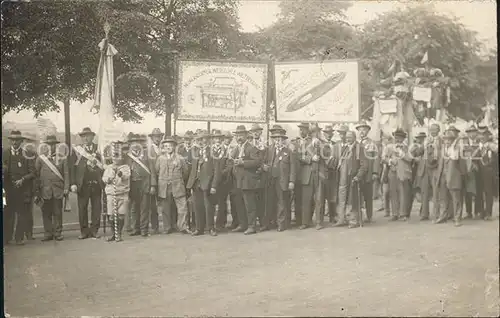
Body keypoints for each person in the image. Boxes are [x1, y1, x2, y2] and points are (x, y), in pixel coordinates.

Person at [2, 130, 36, 245]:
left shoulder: (28, 154)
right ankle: (7, 238)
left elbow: (32, 172)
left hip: (22, 190)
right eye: (12, 140)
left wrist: (23, 180)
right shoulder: (4, 153)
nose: (15, 142)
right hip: (8, 190)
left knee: (22, 215)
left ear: (21, 141)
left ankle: (19, 238)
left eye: (17, 140)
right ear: (10, 141)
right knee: (7, 214)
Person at [34, 135, 70, 241]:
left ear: (56, 145)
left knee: (57, 212)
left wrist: (66, 187)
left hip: (58, 190)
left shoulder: (62, 157)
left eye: (53, 144)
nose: (51, 146)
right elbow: (36, 174)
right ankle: (48, 233)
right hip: (45, 190)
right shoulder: (40, 159)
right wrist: (37, 190)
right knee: (46, 213)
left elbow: (66, 174)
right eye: (48, 144)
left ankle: (58, 233)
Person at [71, 127, 104, 239]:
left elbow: (104, 166)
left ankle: (95, 230)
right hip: (83, 184)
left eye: (88, 135)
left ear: (92, 137)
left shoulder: (99, 149)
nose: (85, 138)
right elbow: (72, 168)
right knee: (82, 209)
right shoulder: (77, 150)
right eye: (83, 136)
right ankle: (84, 231)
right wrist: (73, 183)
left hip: (96, 183)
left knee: (96, 208)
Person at [230, 125, 262, 235]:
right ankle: (243, 224)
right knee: (239, 204)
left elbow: (257, 162)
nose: (239, 137)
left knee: (250, 205)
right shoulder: (235, 149)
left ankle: (252, 226)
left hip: (248, 180)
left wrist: (243, 163)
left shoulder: (251, 148)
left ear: (246, 135)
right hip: (237, 181)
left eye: (241, 135)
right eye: (237, 135)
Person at [262, 127, 296, 231]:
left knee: (282, 202)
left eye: (280, 139)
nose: (278, 141)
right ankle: (271, 222)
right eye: (276, 138)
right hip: (271, 179)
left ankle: (281, 224)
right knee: (270, 201)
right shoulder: (269, 150)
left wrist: (291, 181)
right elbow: (263, 162)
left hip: (282, 180)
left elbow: (293, 168)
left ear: (283, 140)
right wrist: (264, 166)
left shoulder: (288, 152)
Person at [187, 130, 218, 236]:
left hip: (208, 183)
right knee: (197, 206)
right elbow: (192, 169)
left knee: (209, 206)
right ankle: (199, 228)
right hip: (196, 183)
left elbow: (217, 171)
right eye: (199, 139)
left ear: (208, 140)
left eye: (204, 139)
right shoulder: (195, 152)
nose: (201, 141)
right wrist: (191, 183)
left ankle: (211, 228)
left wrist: (214, 185)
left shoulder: (214, 152)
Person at [155, 137, 190, 234]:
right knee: (165, 208)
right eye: (165, 146)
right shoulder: (160, 159)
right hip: (164, 187)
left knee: (182, 207)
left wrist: (177, 179)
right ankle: (167, 228)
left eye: (170, 146)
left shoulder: (180, 159)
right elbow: (157, 171)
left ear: (174, 147)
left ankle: (182, 227)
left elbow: (185, 172)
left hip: (177, 185)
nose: (168, 148)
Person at [434, 128, 466, 226]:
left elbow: (462, 164)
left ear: (453, 140)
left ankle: (457, 218)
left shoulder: (457, 149)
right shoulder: (443, 149)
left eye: (449, 139)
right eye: (445, 139)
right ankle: (443, 216)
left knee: (456, 199)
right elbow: (440, 163)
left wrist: (463, 175)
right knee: (443, 197)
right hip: (443, 175)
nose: (447, 141)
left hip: (454, 176)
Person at [300, 123, 328, 230]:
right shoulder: (305, 143)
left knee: (319, 199)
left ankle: (319, 222)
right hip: (308, 174)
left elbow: (327, 156)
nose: (314, 134)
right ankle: (305, 222)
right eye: (312, 132)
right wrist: (310, 159)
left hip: (320, 174)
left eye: (316, 131)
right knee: (306, 199)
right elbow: (300, 157)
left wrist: (319, 146)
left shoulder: (324, 143)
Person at [127, 134, 156, 237]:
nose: (136, 145)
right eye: (133, 142)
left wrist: (153, 185)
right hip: (133, 184)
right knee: (134, 208)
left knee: (144, 208)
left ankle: (144, 229)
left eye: (138, 142)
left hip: (145, 184)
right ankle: (136, 228)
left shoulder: (147, 154)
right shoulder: (128, 156)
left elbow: (152, 171)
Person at [102, 141, 131, 242]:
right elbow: (104, 179)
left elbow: (125, 176)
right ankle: (113, 234)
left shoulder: (126, 168)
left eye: (118, 156)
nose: (115, 159)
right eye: (114, 156)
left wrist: (118, 173)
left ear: (121, 157)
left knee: (121, 214)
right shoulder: (108, 168)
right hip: (111, 194)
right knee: (111, 215)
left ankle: (119, 233)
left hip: (122, 194)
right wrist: (109, 179)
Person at [383, 128, 413, 221]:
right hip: (392, 171)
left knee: (403, 192)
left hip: (404, 172)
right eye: (396, 137)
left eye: (400, 138)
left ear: (403, 139)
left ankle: (403, 214)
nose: (398, 139)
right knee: (393, 192)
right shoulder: (389, 147)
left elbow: (411, 159)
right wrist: (390, 161)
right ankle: (395, 213)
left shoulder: (408, 147)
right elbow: (383, 158)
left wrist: (402, 154)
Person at [356, 121, 379, 223]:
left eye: (364, 129)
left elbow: (376, 159)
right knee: (357, 195)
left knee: (368, 196)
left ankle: (369, 215)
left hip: (368, 173)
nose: (362, 131)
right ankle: (358, 215)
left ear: (368, 131)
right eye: (360, 129)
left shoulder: (372, 143)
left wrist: (375, 172)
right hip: (358, 173)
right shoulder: (355, 143)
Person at [249, 123, 269, 231]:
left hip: (262, 175)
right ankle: (252, 223)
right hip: (252, 175)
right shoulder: (249, 144)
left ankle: (263, 223)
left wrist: (262, 167)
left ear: (261, 132)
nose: (256, 133)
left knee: (262, 200)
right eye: (253, 131)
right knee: (252, 200)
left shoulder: (265, 144)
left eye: (257, 131)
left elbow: (267, 158)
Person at [410, 132, 432, 220]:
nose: (420, 139)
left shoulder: (435, 143)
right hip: (423, 171)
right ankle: (424, 213)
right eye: (419, 138)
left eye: (422, 138)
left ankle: (438, 213)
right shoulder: (419, 146)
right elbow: (415, 153)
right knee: (424, 192)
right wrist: (423, 145)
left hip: (433, 170)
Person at [479, 129, 497, 221]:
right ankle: (481, 212)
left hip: (489, 172)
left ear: (487, 136)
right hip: (479, 172)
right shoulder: (478, 146)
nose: (482, 137)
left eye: (484, 135)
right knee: (479, 192)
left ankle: (488, 213)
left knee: (488, 192)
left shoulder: (492, 146)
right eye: (481, 135)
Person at [148, 128, 164, 234]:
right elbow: (151, 168)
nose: (157, 138)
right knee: (153, 205)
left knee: (164, 202)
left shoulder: (164, 148)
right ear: (152, 138)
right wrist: (153, 184)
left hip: (163, 179)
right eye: (155, 137)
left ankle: (168, 224)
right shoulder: (150, 150)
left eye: (159, 136)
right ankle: (155, 226)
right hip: (154, 179)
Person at [322, 125, 338, 224]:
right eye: (327, 133)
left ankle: (332, 217)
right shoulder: (321, 145)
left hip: (333, 172)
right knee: (322, 195)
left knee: (332, 195)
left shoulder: (335, 145)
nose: (329, 135)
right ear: (324, 134)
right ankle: (321, 218)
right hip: (324, 172)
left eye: (330, 133)